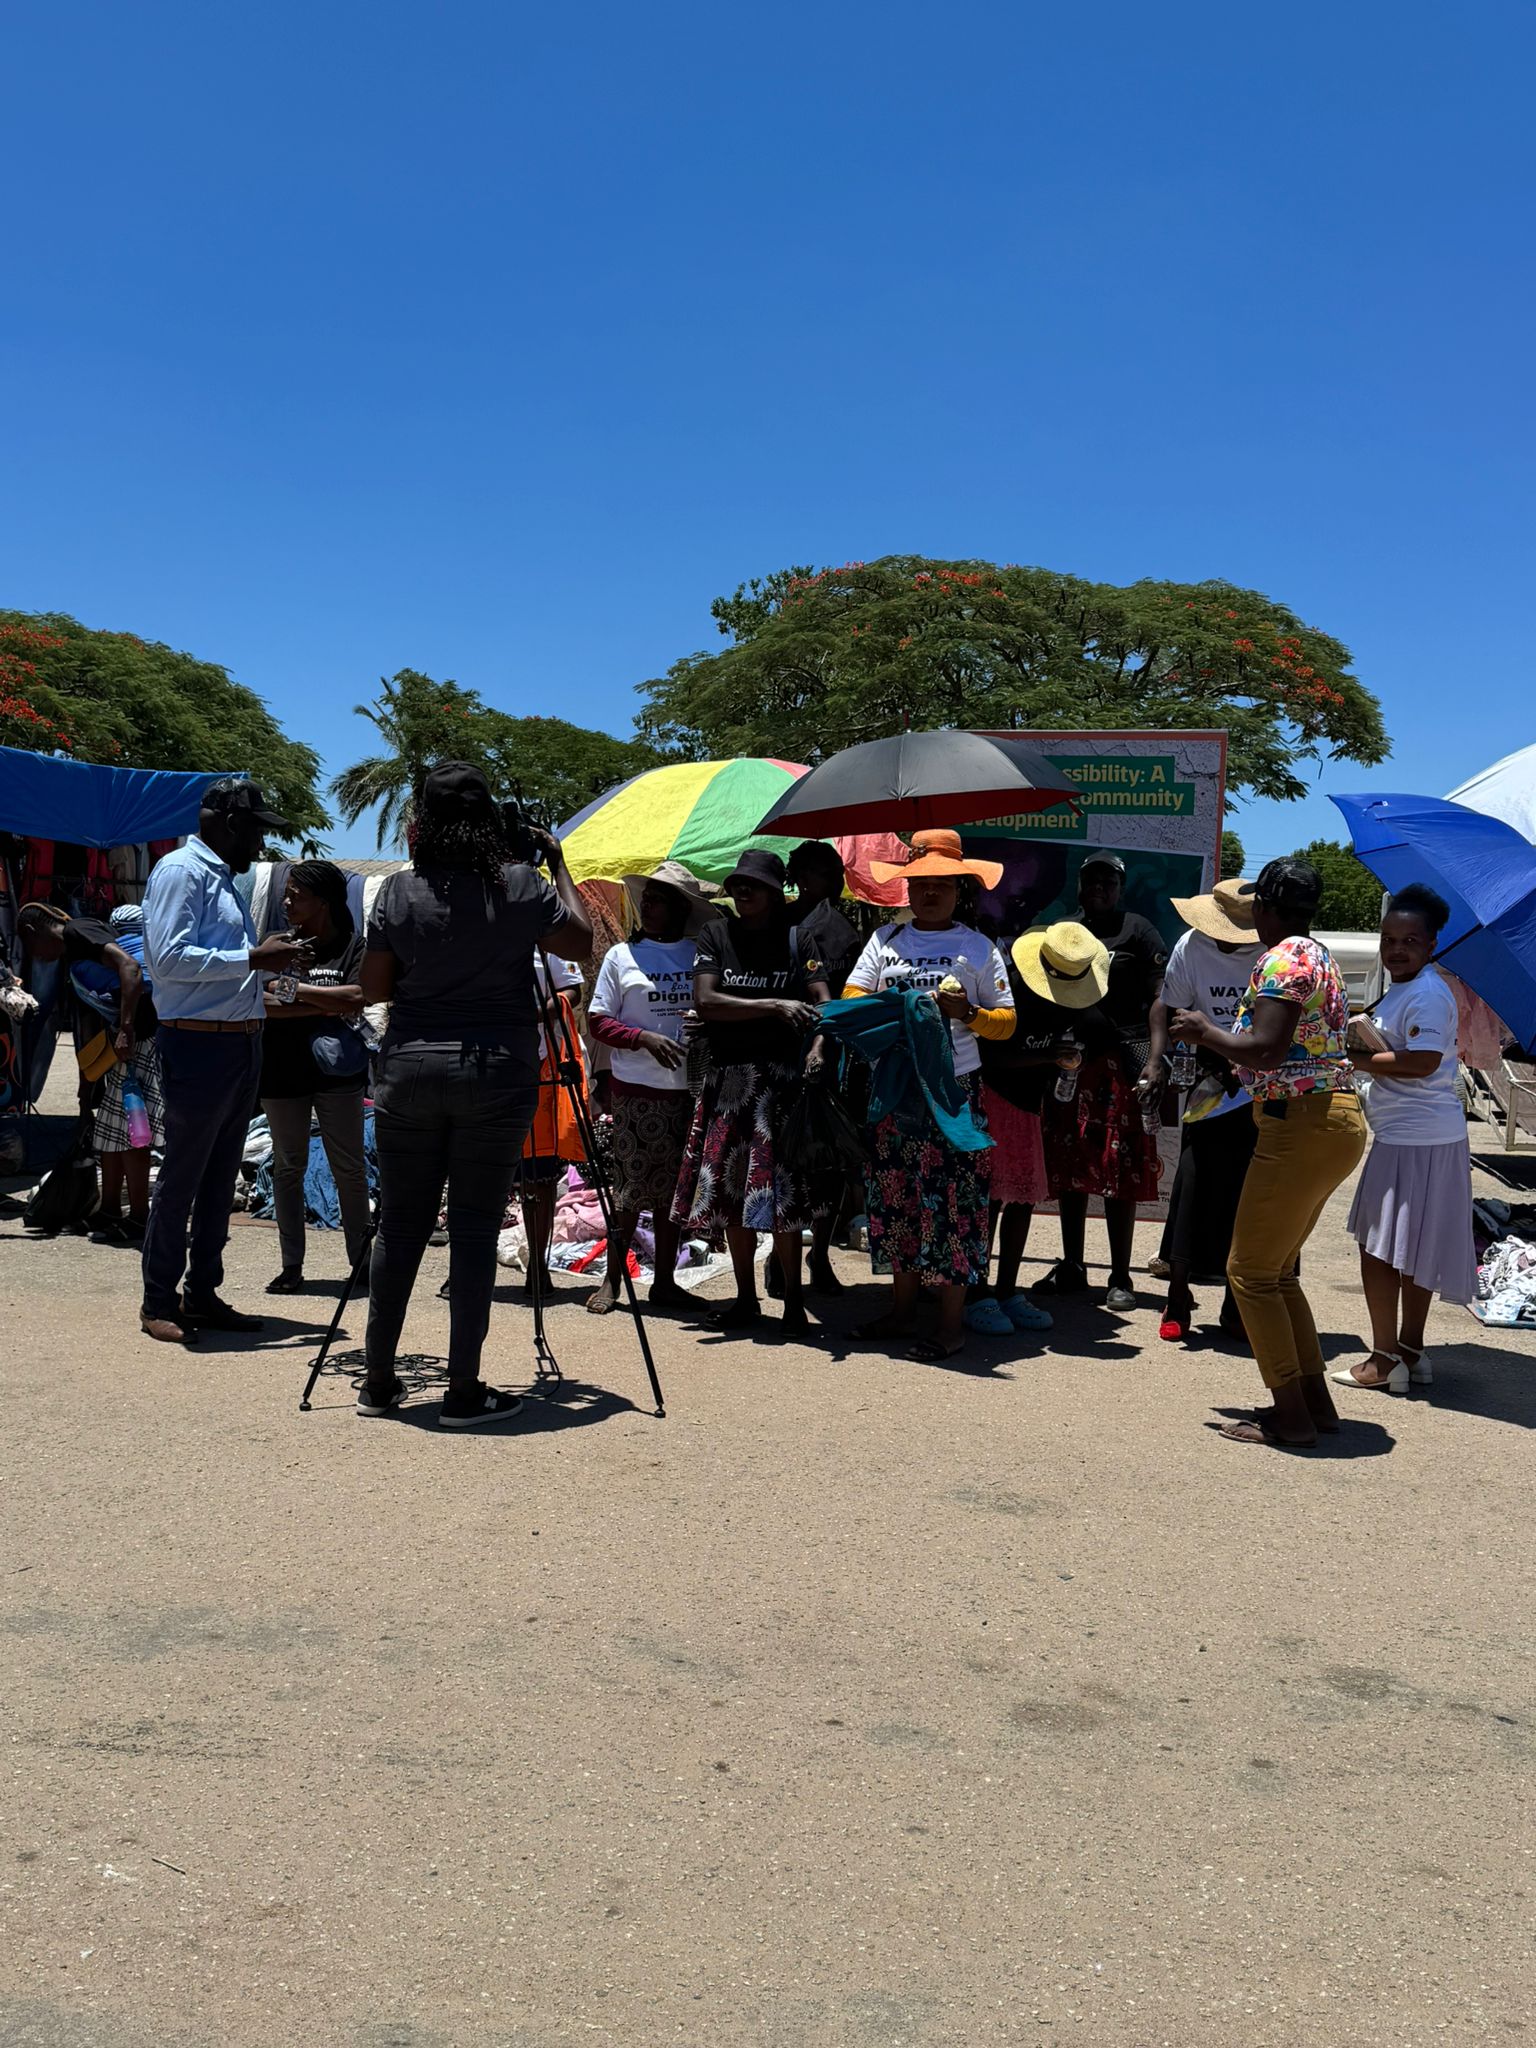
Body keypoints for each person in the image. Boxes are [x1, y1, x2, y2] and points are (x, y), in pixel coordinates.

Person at [358, 763, 592, 1426]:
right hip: (495, 1072)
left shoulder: (398, 892)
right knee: (472, 1228)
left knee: (400, 1226)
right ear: (490, 824)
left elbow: (374, 988)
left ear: (422, 826)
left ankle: (379, 1382)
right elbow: (581, 939)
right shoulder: (518, 885)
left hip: (409, 1070)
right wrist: (558, 866)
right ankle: (464, 1390)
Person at [1171, 857, 1367, 1449]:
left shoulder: (1281, 959)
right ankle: (1313, 1404)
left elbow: (1266, 1050)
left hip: (1299, 1124)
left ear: (1268, 908)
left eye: (1258, 902)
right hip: (1331, 1120)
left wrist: (1202, 1030)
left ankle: (1291, 1417)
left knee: (1249, 1274)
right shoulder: (1320, 955)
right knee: (1276, 1273)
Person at [139, 778, 310, 1344]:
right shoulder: (181, 872)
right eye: (256, 830)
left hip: (239, 1043)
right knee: (184, 1177)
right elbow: (166, 959)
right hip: (197, 1044)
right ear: (229, 823)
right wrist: (254, 956)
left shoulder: (221, 877)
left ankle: (203, 1292)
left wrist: (263, 962)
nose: (260, 845)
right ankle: (158, 1299)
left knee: (218, 1178)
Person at [843, 829, 1015, 1362]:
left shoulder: (977, 947)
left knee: (955, 1203)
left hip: (954, 1090)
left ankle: (949, 1324)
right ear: (907, 891)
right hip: (897, 1089)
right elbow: (853, 997)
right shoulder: (886, 943)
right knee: (895, 1198)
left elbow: (1006, 1024)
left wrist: (967, 1013)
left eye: (941, 884)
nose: (930, 893)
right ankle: (900, 1312)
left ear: (959, 890)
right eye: (921, 884)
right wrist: (894, 1007)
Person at [671, 848, 830, 1335]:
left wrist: (817, 1046)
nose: (743, 892)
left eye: (754, 885)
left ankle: (793, 1304)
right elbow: (706, 999)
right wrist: (775, 1006)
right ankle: (745, 1300)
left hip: (781, 1084)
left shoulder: (799, 938)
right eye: (738, 883)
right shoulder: (716, 934)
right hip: (728, 1081)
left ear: (775, 892)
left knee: (781, 1199)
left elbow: (824, 1002)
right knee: (731, 1196)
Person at [1330, 884, 1476, 1394]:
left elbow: (1422, 1062)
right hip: (1423, 1136)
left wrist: (1356, 1059)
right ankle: (1410, 1352)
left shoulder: (1430, 994)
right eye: (1388, 938)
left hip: (1412, 1139)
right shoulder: (1409, 988)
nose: (1396, 949)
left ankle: (1384, 1358)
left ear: (1432, 943)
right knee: (1414, 1250)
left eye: (1410, 940)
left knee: (1379, 1250)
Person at [1037, 851, 1166, 1309]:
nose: (1097, 887)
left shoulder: (1138, 930)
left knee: (1121, 1166)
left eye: (1107, 881)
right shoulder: (1063, 932)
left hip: (1122, 1063)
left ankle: (1119, 1276)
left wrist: (1155, 1056)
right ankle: (1072, 1264)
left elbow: (1159, 997)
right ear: (1078, 886)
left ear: (1120, 889)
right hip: (1072, 1064)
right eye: (1090, 879)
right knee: (1070, 1164)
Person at [586, 861, 714, 1315]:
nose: (648, 905)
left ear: (681, 907)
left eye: (660, 899)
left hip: (690, 1088)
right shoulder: (622, 956)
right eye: (648, 897)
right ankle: (614, 1280)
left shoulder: (699, 953)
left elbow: (715, 1002)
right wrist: (642, 1037)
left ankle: (664, 1282)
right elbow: (597, 1020)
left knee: (674, 1193)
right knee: (629, 1190)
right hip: (638, 1089)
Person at [969, 922, 1110, 1335]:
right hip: (994, 1099)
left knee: (1023, 1199)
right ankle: (977, 1294)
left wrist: (1067, 1060)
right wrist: (1048, 1056)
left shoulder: (1075, 1001)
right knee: (991, 1201)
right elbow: (989, 1057)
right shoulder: (1008, 987)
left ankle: (1008, 1291)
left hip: (1032, 1106)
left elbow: (1100, 1034)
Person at [1146, 879, 1265, 1342]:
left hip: (1260, 1086)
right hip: (1208, 1085)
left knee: (1249, 1200)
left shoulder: (1271, 954)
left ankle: (1237, 1306)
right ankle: (1177, 1296)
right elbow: (1165, 1006)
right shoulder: (1190, 946)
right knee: (1190, 1188)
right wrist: (1156, 1062)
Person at [17, 898, 161, 1243]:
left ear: (35, 931)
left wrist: (126, 1029)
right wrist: (87, 1085)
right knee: (110, 1134)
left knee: (132, 1131)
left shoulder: (80, 931)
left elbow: (130, 969)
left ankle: (140, 1217)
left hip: (139, 1038)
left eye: (30, 946)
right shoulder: (74, 954)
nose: (35, 956)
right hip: (119, 1044)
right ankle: (110, 1209)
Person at [258, 861, 371, 1294]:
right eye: (285, 894)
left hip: (339, 1072)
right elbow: (260, 1002)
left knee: (349, 1169)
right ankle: (291, 1267)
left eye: (296, 895)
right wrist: (326, 1003)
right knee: (288, 1167)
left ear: (323, 901)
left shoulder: (352, 946)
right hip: (280, 1069)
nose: (286, 902)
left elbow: (358, 997)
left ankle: (360, 1266)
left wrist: (293, 992)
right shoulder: (276, 946)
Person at [769, 839, 865, 1298]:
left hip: (830, 1060)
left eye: (837, 873)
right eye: (829, 873)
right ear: (803, 878)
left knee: (830, 1160)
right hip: (779, 1058)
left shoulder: (845, 930)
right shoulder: (778, 924)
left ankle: (819, 1254)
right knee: (781, 1161)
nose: (840, 882)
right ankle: (777, 1255)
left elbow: (848, 998)